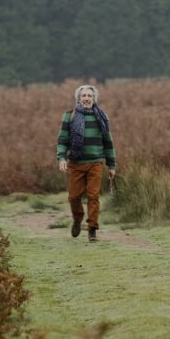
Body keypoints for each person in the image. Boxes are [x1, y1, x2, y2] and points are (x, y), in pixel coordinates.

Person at [56, 84, 116, 242]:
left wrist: (112, 165)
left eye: (90, 96)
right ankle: (77, 219)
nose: (87, 98)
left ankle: (92, 230)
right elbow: (62, 140)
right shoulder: (69, 116)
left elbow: (108, 142)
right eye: (84, 96)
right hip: (76, 163)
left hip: (96, 162)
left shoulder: (101, 117)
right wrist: (62, 158)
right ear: (78, 98)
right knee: (74, 198)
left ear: (94, 98)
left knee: (93, 196)